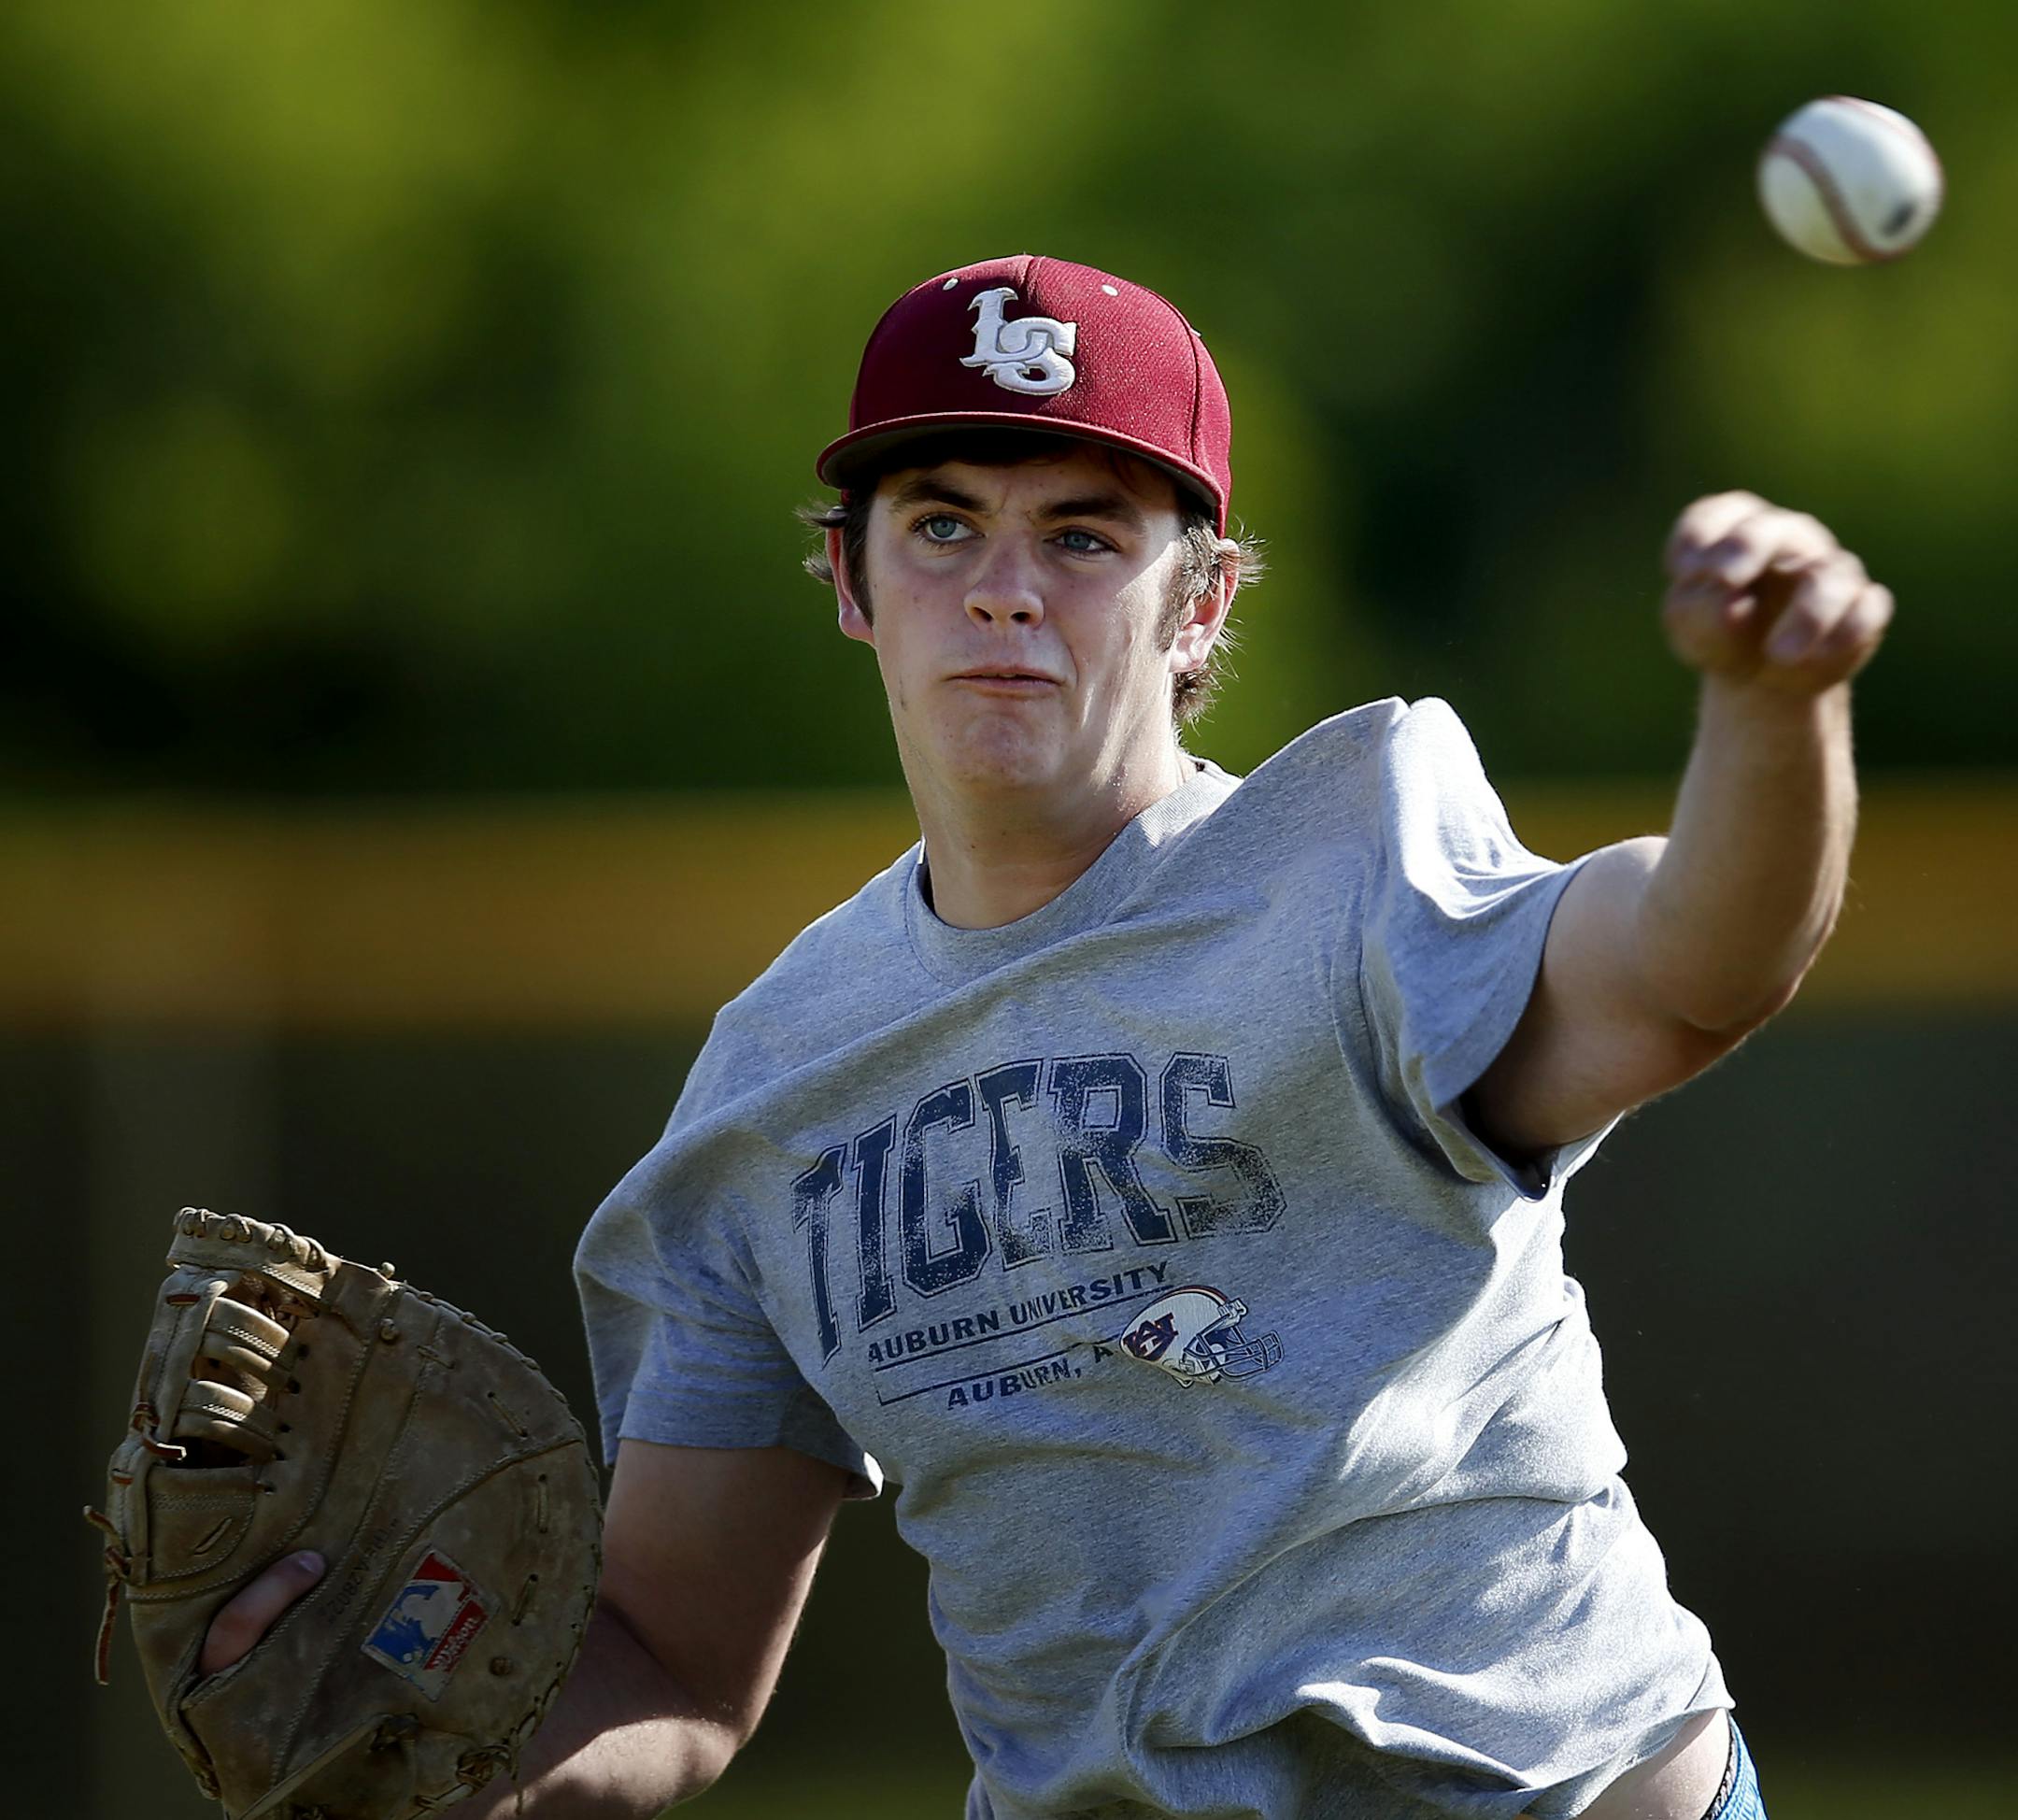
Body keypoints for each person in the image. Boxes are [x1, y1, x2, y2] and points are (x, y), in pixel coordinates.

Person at [206, 254, 1890, 1818]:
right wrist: (404, 1737)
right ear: (849, 579)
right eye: (941, 527)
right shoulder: (768, 1093)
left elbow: (1693, 968)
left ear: (1202, 601)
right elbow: (672, 1656)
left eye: (1086, 536)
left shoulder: (1357, 862)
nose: (1005, 591)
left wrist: (1773, 704)